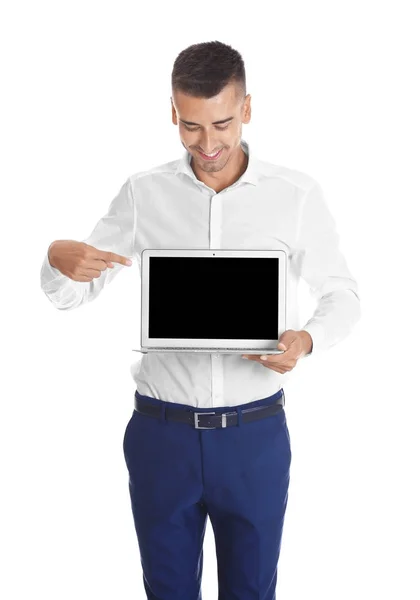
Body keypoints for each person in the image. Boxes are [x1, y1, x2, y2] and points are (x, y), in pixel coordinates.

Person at [40, 40, 361, 600]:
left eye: (222, 123)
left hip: (254, 436)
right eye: (190, 126)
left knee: (252, 592)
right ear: (172, 112)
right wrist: (56, 261)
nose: (208, 143)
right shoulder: (144, 194)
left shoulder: (295, 196)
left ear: (247, 108)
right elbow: (73, 295)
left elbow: (343, 294)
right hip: (160, 435)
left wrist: (306, 340)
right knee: (165, 592)